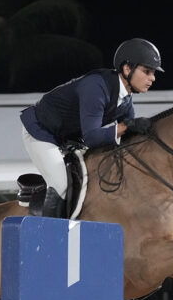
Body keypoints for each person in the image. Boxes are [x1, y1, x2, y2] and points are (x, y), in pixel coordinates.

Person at [18, 38, 163, 217]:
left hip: (68, 139)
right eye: (147, 71)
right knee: (62, 184)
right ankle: (47, 240)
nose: (153, 78)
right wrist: (127, 126)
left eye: (154, 73)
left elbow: (128, 142)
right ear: (127, 68)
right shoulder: (96, 86)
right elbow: (92, 138)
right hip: (42, 132)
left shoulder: (125, 100)